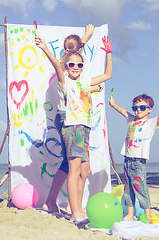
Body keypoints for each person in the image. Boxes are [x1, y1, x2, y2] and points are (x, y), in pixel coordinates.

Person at [35, 30, 112, 223]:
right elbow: (57, 64)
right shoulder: (65, 82)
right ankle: (75, 211)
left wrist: (109, 53)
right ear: (66, 66)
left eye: (79, 64)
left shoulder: (85, 82)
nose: (75, 67)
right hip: (72, 127)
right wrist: (45, 48)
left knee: (84, 171)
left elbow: (108, 75)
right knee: (74, 169)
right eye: (71, 64)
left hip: (84, 128)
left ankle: (75, 208)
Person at [108, 94, 159, 223]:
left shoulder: (150, 123)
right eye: (135, 107)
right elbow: (123, 111)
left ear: (150, 109)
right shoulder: (132, 120)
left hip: (139, 161)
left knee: (141, 189)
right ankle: (130, 214)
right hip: (127, 160)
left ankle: (147, 215)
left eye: (142, 107)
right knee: (128, 189)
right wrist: (114, 105)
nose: (138, 110)